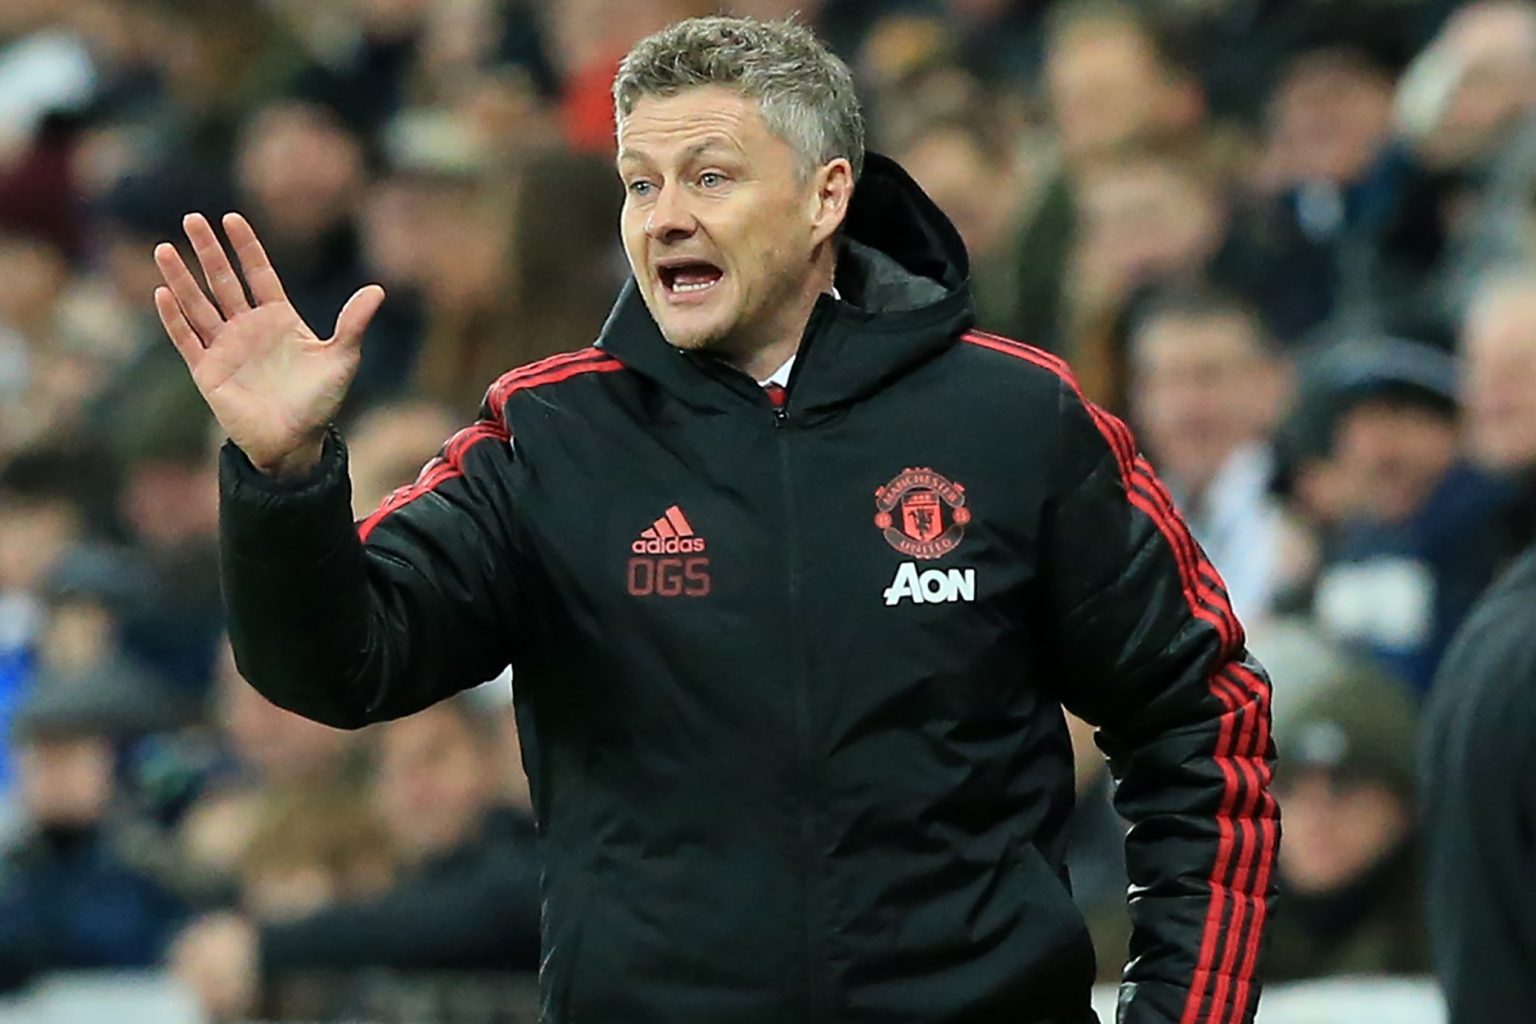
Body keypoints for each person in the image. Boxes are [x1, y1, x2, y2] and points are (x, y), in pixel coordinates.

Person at [151, 16, 1276, 1023]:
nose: (666, 219)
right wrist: (283, 473)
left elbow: (1203, 715)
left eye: (710, 177)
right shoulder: (549, 435)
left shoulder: (1020, 417)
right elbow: (341, 667)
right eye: (640, 184)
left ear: (827, 196)